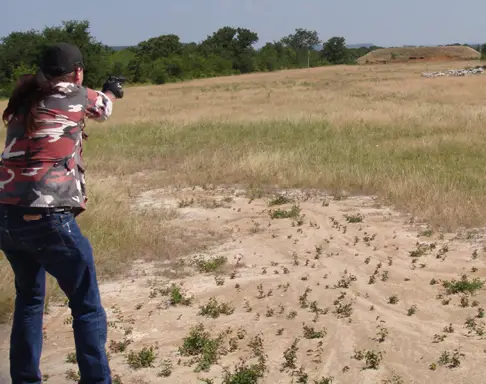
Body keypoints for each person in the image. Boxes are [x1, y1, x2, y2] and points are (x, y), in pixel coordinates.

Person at [0, 42, 124, 384]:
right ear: (78, 72)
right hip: (48, 216)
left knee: (29, 299)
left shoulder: (25, 98)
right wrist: (112, 90)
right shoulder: (75, 93)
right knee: (86, 304)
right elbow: (104, 108)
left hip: (7, 216)